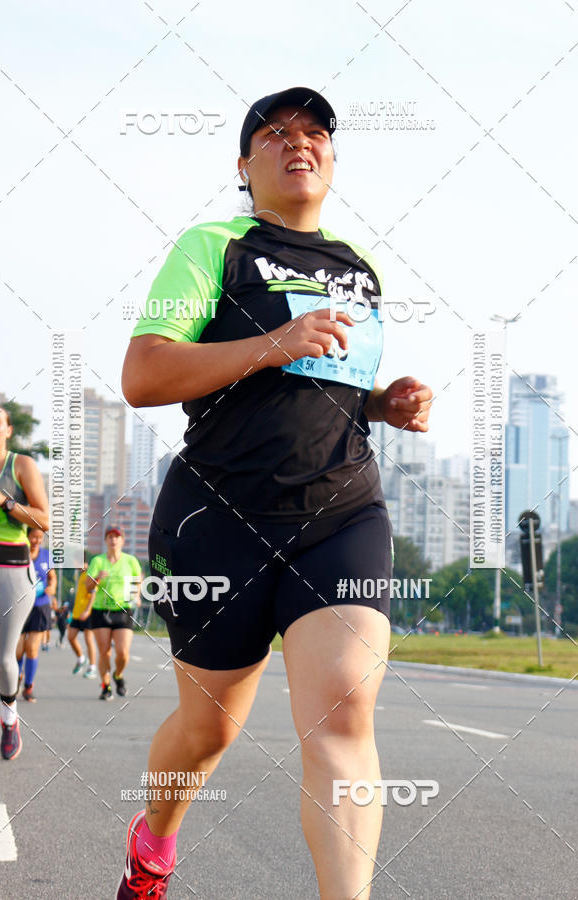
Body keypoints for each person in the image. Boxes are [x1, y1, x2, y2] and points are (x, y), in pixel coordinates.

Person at [117, 86, 433, 899]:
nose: (300, 142)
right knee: (206, 730)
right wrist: (273, 341)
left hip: (341, 514)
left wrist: (380, 404)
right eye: (276, 132)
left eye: (316, 132)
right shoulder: (214, 247)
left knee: (344, 716)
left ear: (332, 158)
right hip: (218, 518)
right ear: (244, 165)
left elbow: (319, 385)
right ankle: (153, 845)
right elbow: (144, 374)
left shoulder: (359, 269)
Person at [0, 404, 49, 763]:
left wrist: (1, 499)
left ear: (7, 430)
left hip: (13, 566)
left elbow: (43, 519)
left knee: (4, 660)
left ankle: (9, 717)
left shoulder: (21, 466)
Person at [86, 526, 142, 701]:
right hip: (101, 610)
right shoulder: (98, 561)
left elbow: (138, 580)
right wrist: (97, 578)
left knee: (123, 652)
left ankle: (118, 675)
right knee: (104, 652)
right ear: (105, 540)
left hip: (123, 609)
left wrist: (136, 595)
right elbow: (88, 587)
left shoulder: (130, 561)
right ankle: (105, 685)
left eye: (117, 537)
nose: (113, 540)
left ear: (122, 540)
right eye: (110, 536)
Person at [16, 527, 57, 702]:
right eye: (34, 537)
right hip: (18, 606)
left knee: (32, 649)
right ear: (27, 536)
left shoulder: (46, 555)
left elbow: (52, 577)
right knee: (17, 651)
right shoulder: (18, 552)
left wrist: (52, 587)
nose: (37, 541)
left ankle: (28, 686)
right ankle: (15, 679)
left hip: (40, 607)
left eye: (40, 538)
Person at [67, 565, 98, 678]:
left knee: (89, 639)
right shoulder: (81, 575)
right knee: (71, 637)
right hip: (77, 612)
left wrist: (87, 610)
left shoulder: (90, 573)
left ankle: (92, 667)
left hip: (88, 612)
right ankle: (81, 658)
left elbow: (93, 593)